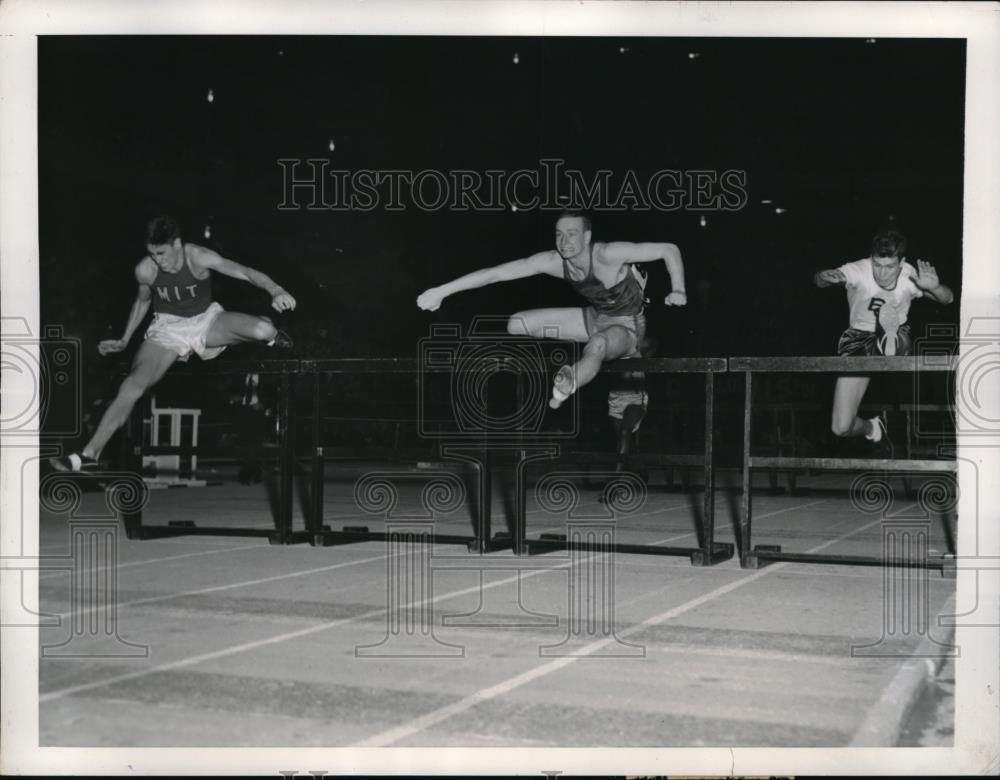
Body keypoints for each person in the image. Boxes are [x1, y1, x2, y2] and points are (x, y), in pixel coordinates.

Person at [50, 215, 296, 472]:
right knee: (132, 385)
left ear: (177, 244)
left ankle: (271, 335)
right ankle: (89, 454)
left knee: (263, 329)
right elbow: (143, 302)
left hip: (205, 321)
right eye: (153, 254)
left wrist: (275, 289)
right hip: (167, 329)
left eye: (162, 253)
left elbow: (245, 272)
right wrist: (125, 339)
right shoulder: (145, 269)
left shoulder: (198, 256)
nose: (159, 260)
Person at [416, 210, 686, 408]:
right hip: (596, 317)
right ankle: (546, 377)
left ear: (587, 236)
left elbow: (669, 249)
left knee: (599, 344)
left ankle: (569, 382)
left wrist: (678, 289)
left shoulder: (607, 254)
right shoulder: (554, 261)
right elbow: (495, 274)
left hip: (628, 327)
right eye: (559, 234)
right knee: (516, 323)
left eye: (572, 234)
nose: (564, 241)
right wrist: (442, 291)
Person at [813, 228, 953, 448]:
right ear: (871, 259)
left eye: (889, 267)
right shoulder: (858, 269)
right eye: (877, 266)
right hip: (858, 338)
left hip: (896, 334)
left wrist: (935, 288)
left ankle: (889, 339)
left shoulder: (910, 275)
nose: (882, 273)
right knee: (840, 427)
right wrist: (824, 277)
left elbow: (948, 299)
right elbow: (819, 280)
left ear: (901, 262)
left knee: (895, 334)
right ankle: (872, 427)